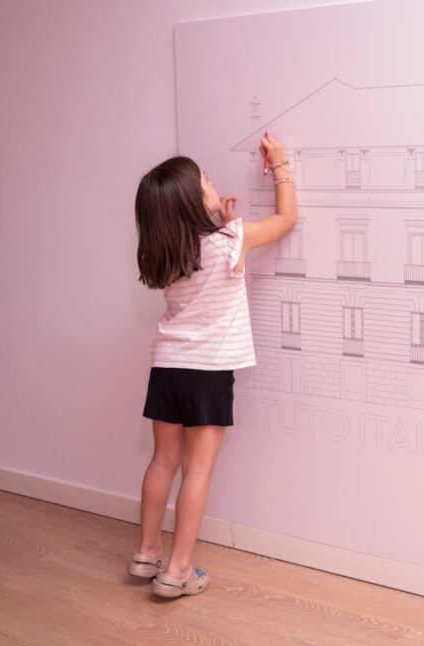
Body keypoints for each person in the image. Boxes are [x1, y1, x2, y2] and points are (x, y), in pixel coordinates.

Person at [130, 132, 297, 599]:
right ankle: (178, 570)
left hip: (167, 366)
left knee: (163, 460)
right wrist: (280, 165)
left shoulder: (165, 252)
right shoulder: (231, 240)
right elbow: (286, 219)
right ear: (191, 201)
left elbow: (203, 258)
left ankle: (147, 554)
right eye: (205, 180)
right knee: (197, 471)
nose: (212, 182)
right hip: (208, 373)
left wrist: (220, 219)